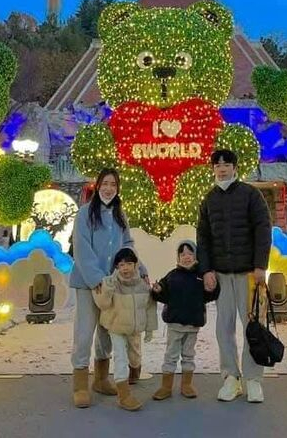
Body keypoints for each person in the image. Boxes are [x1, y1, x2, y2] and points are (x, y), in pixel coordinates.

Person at [196, 149, 272, 404]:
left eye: (226, 164)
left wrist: (260, 265)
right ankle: (231, 377)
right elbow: (203, 238)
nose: (222, 169)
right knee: (224, 329)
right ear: (213, 169)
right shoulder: (209, 199)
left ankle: (253, 379)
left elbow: (263, 230)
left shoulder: (251, 194)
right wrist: (206, 270)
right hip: (221, 274)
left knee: (253, 326)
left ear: (235, 168)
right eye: (217, 165)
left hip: (248, 273)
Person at [69, 168, 147, 408]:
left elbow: (127, 245)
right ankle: (80, 385)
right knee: (85, 332)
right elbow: (81, 249)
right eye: (105, 183)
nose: (109, 188)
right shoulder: (85, 213)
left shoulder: (119, 214)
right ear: (98, 185)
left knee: (107, 332)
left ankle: (101, 379)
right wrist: (97, 280)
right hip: (89, 284)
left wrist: (141, 269)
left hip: (113, 285)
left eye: (113, 184)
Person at [150, 239, 220, 401]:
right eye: (182, 254)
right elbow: (164, 296)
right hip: (174, 325)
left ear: (196, 256)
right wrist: (158, 290)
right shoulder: (172, 276)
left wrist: (213, 288)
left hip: (193, 324)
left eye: (190, 253)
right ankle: (166, 386)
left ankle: (186, 384)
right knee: (170, 355)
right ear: (178, 257)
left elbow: (210, 295)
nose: (186, 257)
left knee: (189, 355)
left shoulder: (201, 277)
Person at [93, 247, 158, 411]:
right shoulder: (111, 282)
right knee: (120, 357)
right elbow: (102, 304)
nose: (125, 268)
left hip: (134, 328)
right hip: (116, 327)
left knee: (134, 355)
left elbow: (150, 307)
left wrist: (150, 329)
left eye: (129, 264)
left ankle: (134, 371)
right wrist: (107, 290)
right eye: (121, 265)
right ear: (116, 267)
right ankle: (124, 395)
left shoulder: (143, 285)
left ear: (136, 265)